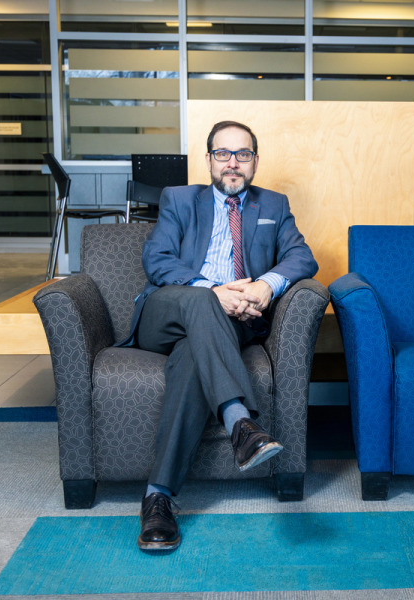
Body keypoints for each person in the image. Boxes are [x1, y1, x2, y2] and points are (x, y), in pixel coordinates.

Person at [124, 120, 318, 551]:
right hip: (169, 310)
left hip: (227, 327)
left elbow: (301, 256)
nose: (233, 163)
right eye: (223, 153)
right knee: (202, 301)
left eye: (243, 154)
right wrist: (213, 291)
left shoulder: (274, 204)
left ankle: (158, 499)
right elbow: (157, 260)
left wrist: (265, 285)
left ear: (254, 161)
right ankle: (240, 422)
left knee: (194, 357)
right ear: (209, 158)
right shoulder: (179, 199)